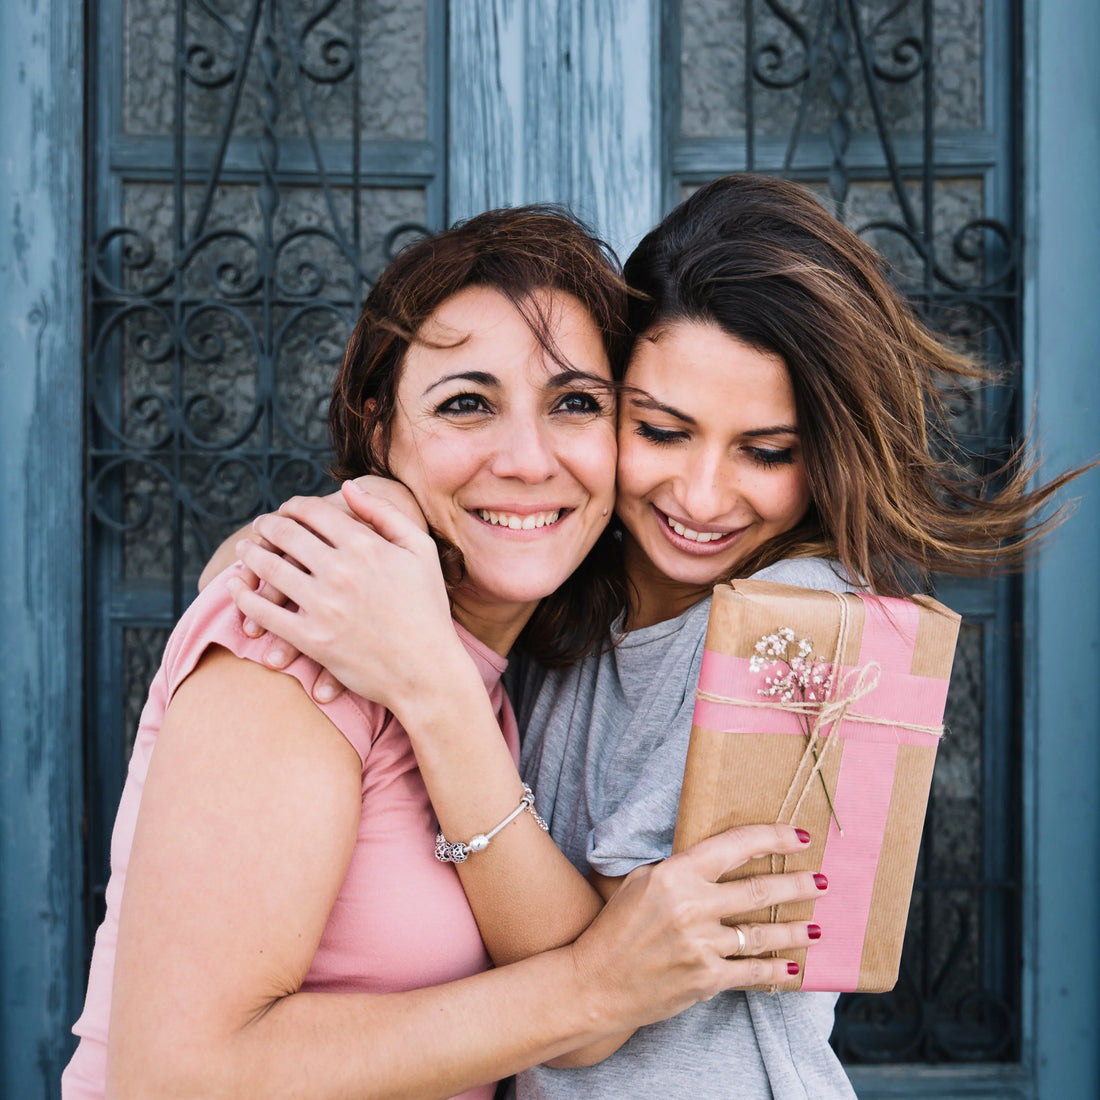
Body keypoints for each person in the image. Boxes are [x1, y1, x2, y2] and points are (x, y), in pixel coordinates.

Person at [218, 175, 1090, 1099]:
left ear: (827, 452)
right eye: (664, 430)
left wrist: (435, 692)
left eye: (768, 452)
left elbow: (596, 984)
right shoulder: (576, 586)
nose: (702, 498)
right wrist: (307, 544)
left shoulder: (817, 631)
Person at [62, 205, 828, 1100]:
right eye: (468, 403)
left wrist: (435, 684)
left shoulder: (536, 658)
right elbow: (175, 1077)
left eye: (575, 403)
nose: (527, 459)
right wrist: (586, 990)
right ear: (378, 426)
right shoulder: (293, 647)